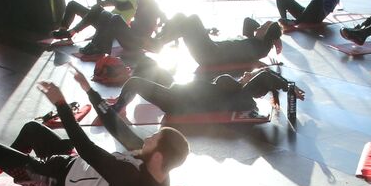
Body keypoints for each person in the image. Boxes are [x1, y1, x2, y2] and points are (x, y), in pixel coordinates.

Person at [0, 70, 187, 186]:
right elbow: (115, 125)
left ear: (159, 156)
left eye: (154, 139)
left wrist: (61, 105)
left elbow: (87, 149)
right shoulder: (157, 168)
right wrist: (89, 91)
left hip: (54, 183)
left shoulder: (130, 179)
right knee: (32, 129)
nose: (149, 137)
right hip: (73, 167)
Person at [112, 68, 302, 118]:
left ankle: (116, 108)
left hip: (177, 101)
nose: (245, 75)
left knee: (135, 82)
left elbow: (266, 77)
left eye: (248, 76)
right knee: (152, 71)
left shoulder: (238, 93)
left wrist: (289, 87)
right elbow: (265, 78)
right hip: (178, 93)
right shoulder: (235, 90)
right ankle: (120, 104)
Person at [150, 13, 283, 69]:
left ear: (267, 35)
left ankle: (159, 43)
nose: (259, 26)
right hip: (209, 49)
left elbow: (266, 38)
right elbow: (248, 21)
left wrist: (275, 38)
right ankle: (158, 40)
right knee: (181, 16)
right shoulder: (253, 40)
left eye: (263, 27)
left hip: (209, 55)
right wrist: (273, 37)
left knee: (191, 20)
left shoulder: (258, 49)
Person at [80, 0, 165, 56]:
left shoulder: (152, 4)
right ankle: (95, 45)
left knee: (116, 18)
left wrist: (158, 35)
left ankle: (102, 49)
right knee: (105, 14)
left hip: (136, 43)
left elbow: (162, 18)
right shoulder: (142, 2)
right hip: (132, 37)